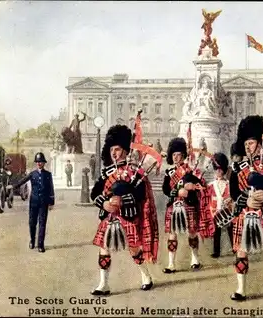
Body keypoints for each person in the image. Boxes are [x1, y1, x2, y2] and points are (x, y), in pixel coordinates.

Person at [90, 125, 159, 295]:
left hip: (128, 216)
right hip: (110, 216)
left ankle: (146, 276)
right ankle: (103, 284)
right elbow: (95, 193)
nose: (114, 153)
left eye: (118, 149)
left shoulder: (135, 172)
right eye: (112, 149)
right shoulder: (107, 173)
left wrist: (122, 200)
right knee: (104, 248)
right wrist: (104, 203)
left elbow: (140, 194)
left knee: (134, 249)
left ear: (126, 151)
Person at [228, 115, 263, 301]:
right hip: (245, 214)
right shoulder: (237, 168)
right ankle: (241, 289)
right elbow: (234, 192)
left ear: (259, 144)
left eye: (251, 143)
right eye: (246, 143)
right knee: (241, 252)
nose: (247, 147)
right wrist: (246, 201)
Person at [162, 137, 214, 273]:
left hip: (189, 205)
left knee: (192, 233)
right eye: (173, 155)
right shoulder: (169, 173)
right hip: (174, 205)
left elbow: (202, 186)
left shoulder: (191, 172)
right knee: (172, 234)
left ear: (183, 156)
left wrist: (192, 187)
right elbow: (165, 190)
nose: (175, 157)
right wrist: (177, 191)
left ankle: (195, 258)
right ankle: (171, 263)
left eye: (178, 154)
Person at [13, 152, 55, 253]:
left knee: (42, 224)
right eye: (37, 162)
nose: (39, 163)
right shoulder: (33, 174)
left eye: (41, 162)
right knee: (32, 223)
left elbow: (51, 189)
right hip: (34, 202)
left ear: (44, 163)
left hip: (44, 202)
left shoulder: (48, 175)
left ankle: (41, 245)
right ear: (36, 163)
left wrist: (51, 202)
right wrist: (13, 186)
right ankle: (32, 241)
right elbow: (22, 181)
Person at [208, 152, 233, 258]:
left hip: (228, 210)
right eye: (216, 169)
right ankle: (216, 251)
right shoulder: (211, 185)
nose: (218, 171)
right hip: (215, 210)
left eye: (220, 169)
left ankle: (234, 247)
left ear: (224, 170)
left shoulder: (229, 184)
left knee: (231, 230)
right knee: (216, 232)